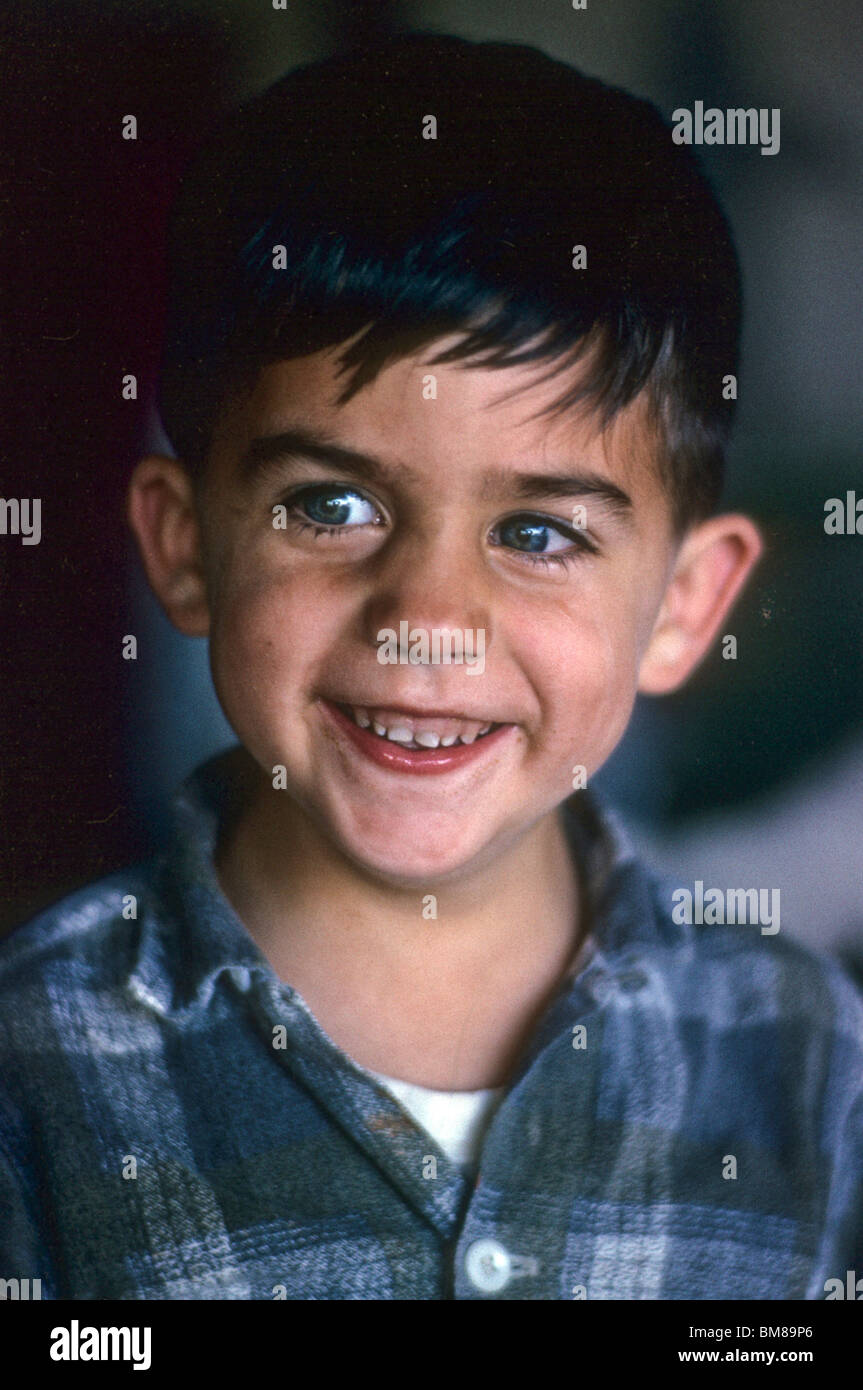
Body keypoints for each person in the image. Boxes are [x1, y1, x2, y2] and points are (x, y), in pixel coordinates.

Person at [1, 34, 860, 1300]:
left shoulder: (813, 1066)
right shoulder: (31, 1077)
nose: (428, 620)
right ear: (183, 548)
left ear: (684, 606)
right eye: (332, 508)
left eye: (536, 533)